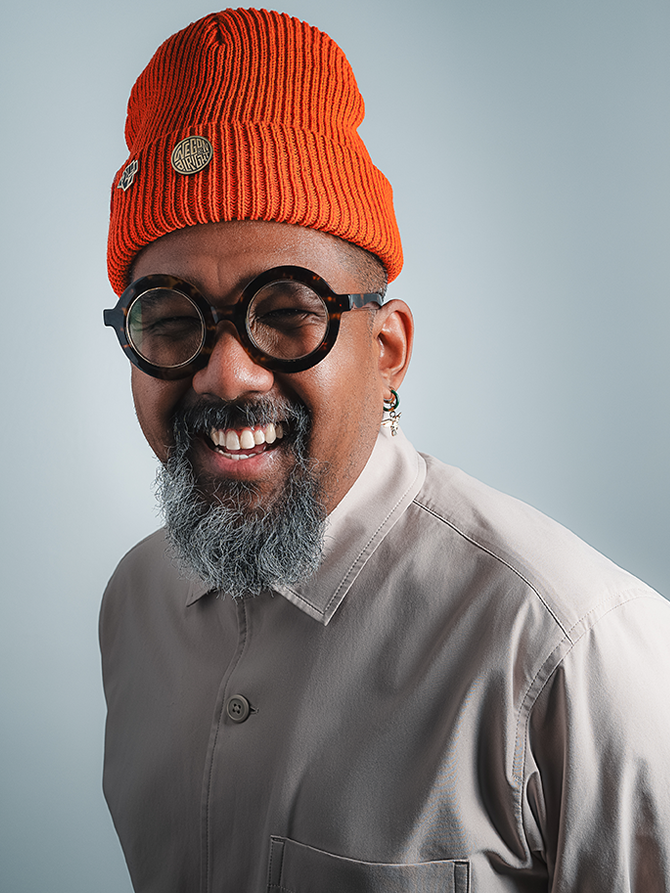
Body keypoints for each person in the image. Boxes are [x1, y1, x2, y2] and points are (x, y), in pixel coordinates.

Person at [100, 8, 670, 892]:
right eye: (170, 319)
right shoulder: (134, 605)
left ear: (389, 346)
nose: (226, 373)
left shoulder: (568, 645)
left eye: (285, 312)